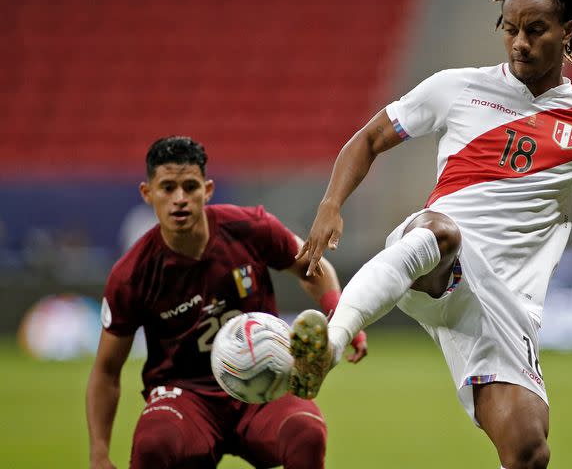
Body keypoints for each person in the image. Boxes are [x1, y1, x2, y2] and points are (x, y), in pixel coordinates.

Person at [289, 0, 572, 469]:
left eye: (535, 30)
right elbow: (368, 140)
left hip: (503, 305)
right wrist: (330, 206)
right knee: (442, 229)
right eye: (510, 28)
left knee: (529, 450)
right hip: (432, 259)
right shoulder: (455, 88)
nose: (519, 42)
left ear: (567, 32)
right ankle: (331, 344)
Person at [86, 136, 367, 469]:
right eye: (167, 188)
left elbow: (312, 267)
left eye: (190, 187)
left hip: (265, 381)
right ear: (148, 194)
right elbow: (106, 371)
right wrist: (99, 453)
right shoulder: (132, 274)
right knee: (153, 445)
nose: (179, 199)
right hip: (186, 396)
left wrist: (341, 320)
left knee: (306, 432)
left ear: (207, 190)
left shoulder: (250, 227)